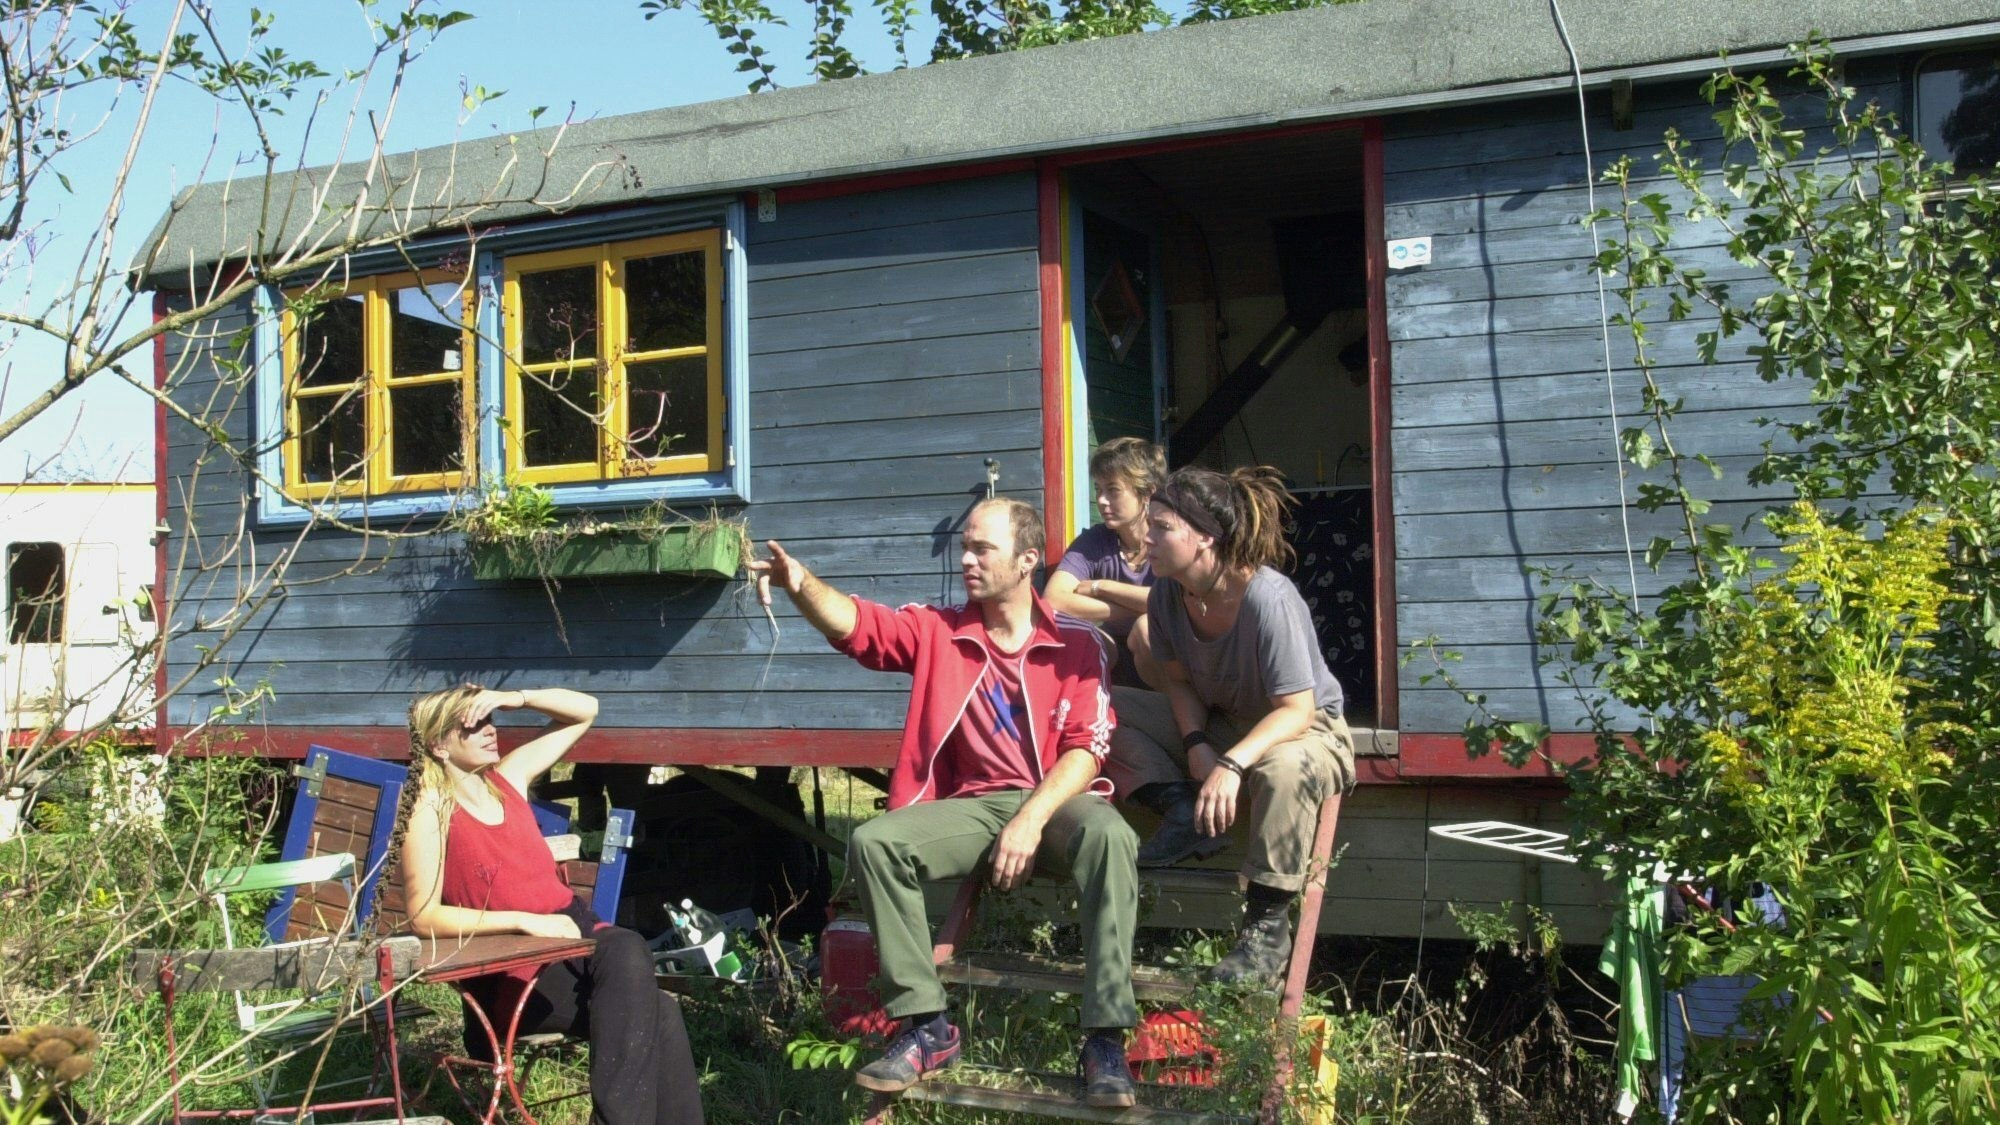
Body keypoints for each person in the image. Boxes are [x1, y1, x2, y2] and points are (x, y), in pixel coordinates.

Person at [751, 498, 1141, 1108]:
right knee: (874, 842)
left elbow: (1086, 749)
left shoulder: (1077, 642)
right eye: (964, 547)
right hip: (974, 807)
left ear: (1027, 561)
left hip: (1055, 802)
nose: (966, 560)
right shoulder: (940, 630)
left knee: (1111, 835)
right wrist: (801, 585)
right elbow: (859, 626)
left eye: (982, 549)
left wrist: (1030, 820)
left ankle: (1105, 1038)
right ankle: (926, 1026)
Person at [388, 685, 705, 1125]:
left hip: (571, 936)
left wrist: (514, 698)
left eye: (490, 719)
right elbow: (424, 917)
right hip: (512, 965)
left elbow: (587, 710)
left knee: (658, 1006)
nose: (490, 730)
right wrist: (525, 922)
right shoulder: (431, 807)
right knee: (639, 970)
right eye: (473, 724)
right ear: (439, 745)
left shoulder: (507, 780)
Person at [1104, 466, 1357, 985]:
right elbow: (1177, 682)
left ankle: (1266, 929)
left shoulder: (1267, 597)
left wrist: (1232, 764)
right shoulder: (1167, 595)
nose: (1146, 538)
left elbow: (1297, 709)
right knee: (1108, 706)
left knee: (1282, 770)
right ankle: (1180, 812)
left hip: (1307, 730)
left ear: (1204, 538)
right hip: (1225, 725)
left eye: (1161, 527)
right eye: (1149, 525)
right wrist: (1196, 743)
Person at [1043, 436, 1166, 689]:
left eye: (1113, 490)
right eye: (1099, 489)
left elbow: (1172, 602)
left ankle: (1175, 705)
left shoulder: (1168, 539)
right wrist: (1138, 606)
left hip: (1167, 657)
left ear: (1147, 493)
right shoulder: (1096, 540)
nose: (1101, 500)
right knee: (1080, 637)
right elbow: (1053, 600)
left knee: (1145, 628)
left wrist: (1102, 587)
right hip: (1115, 657)